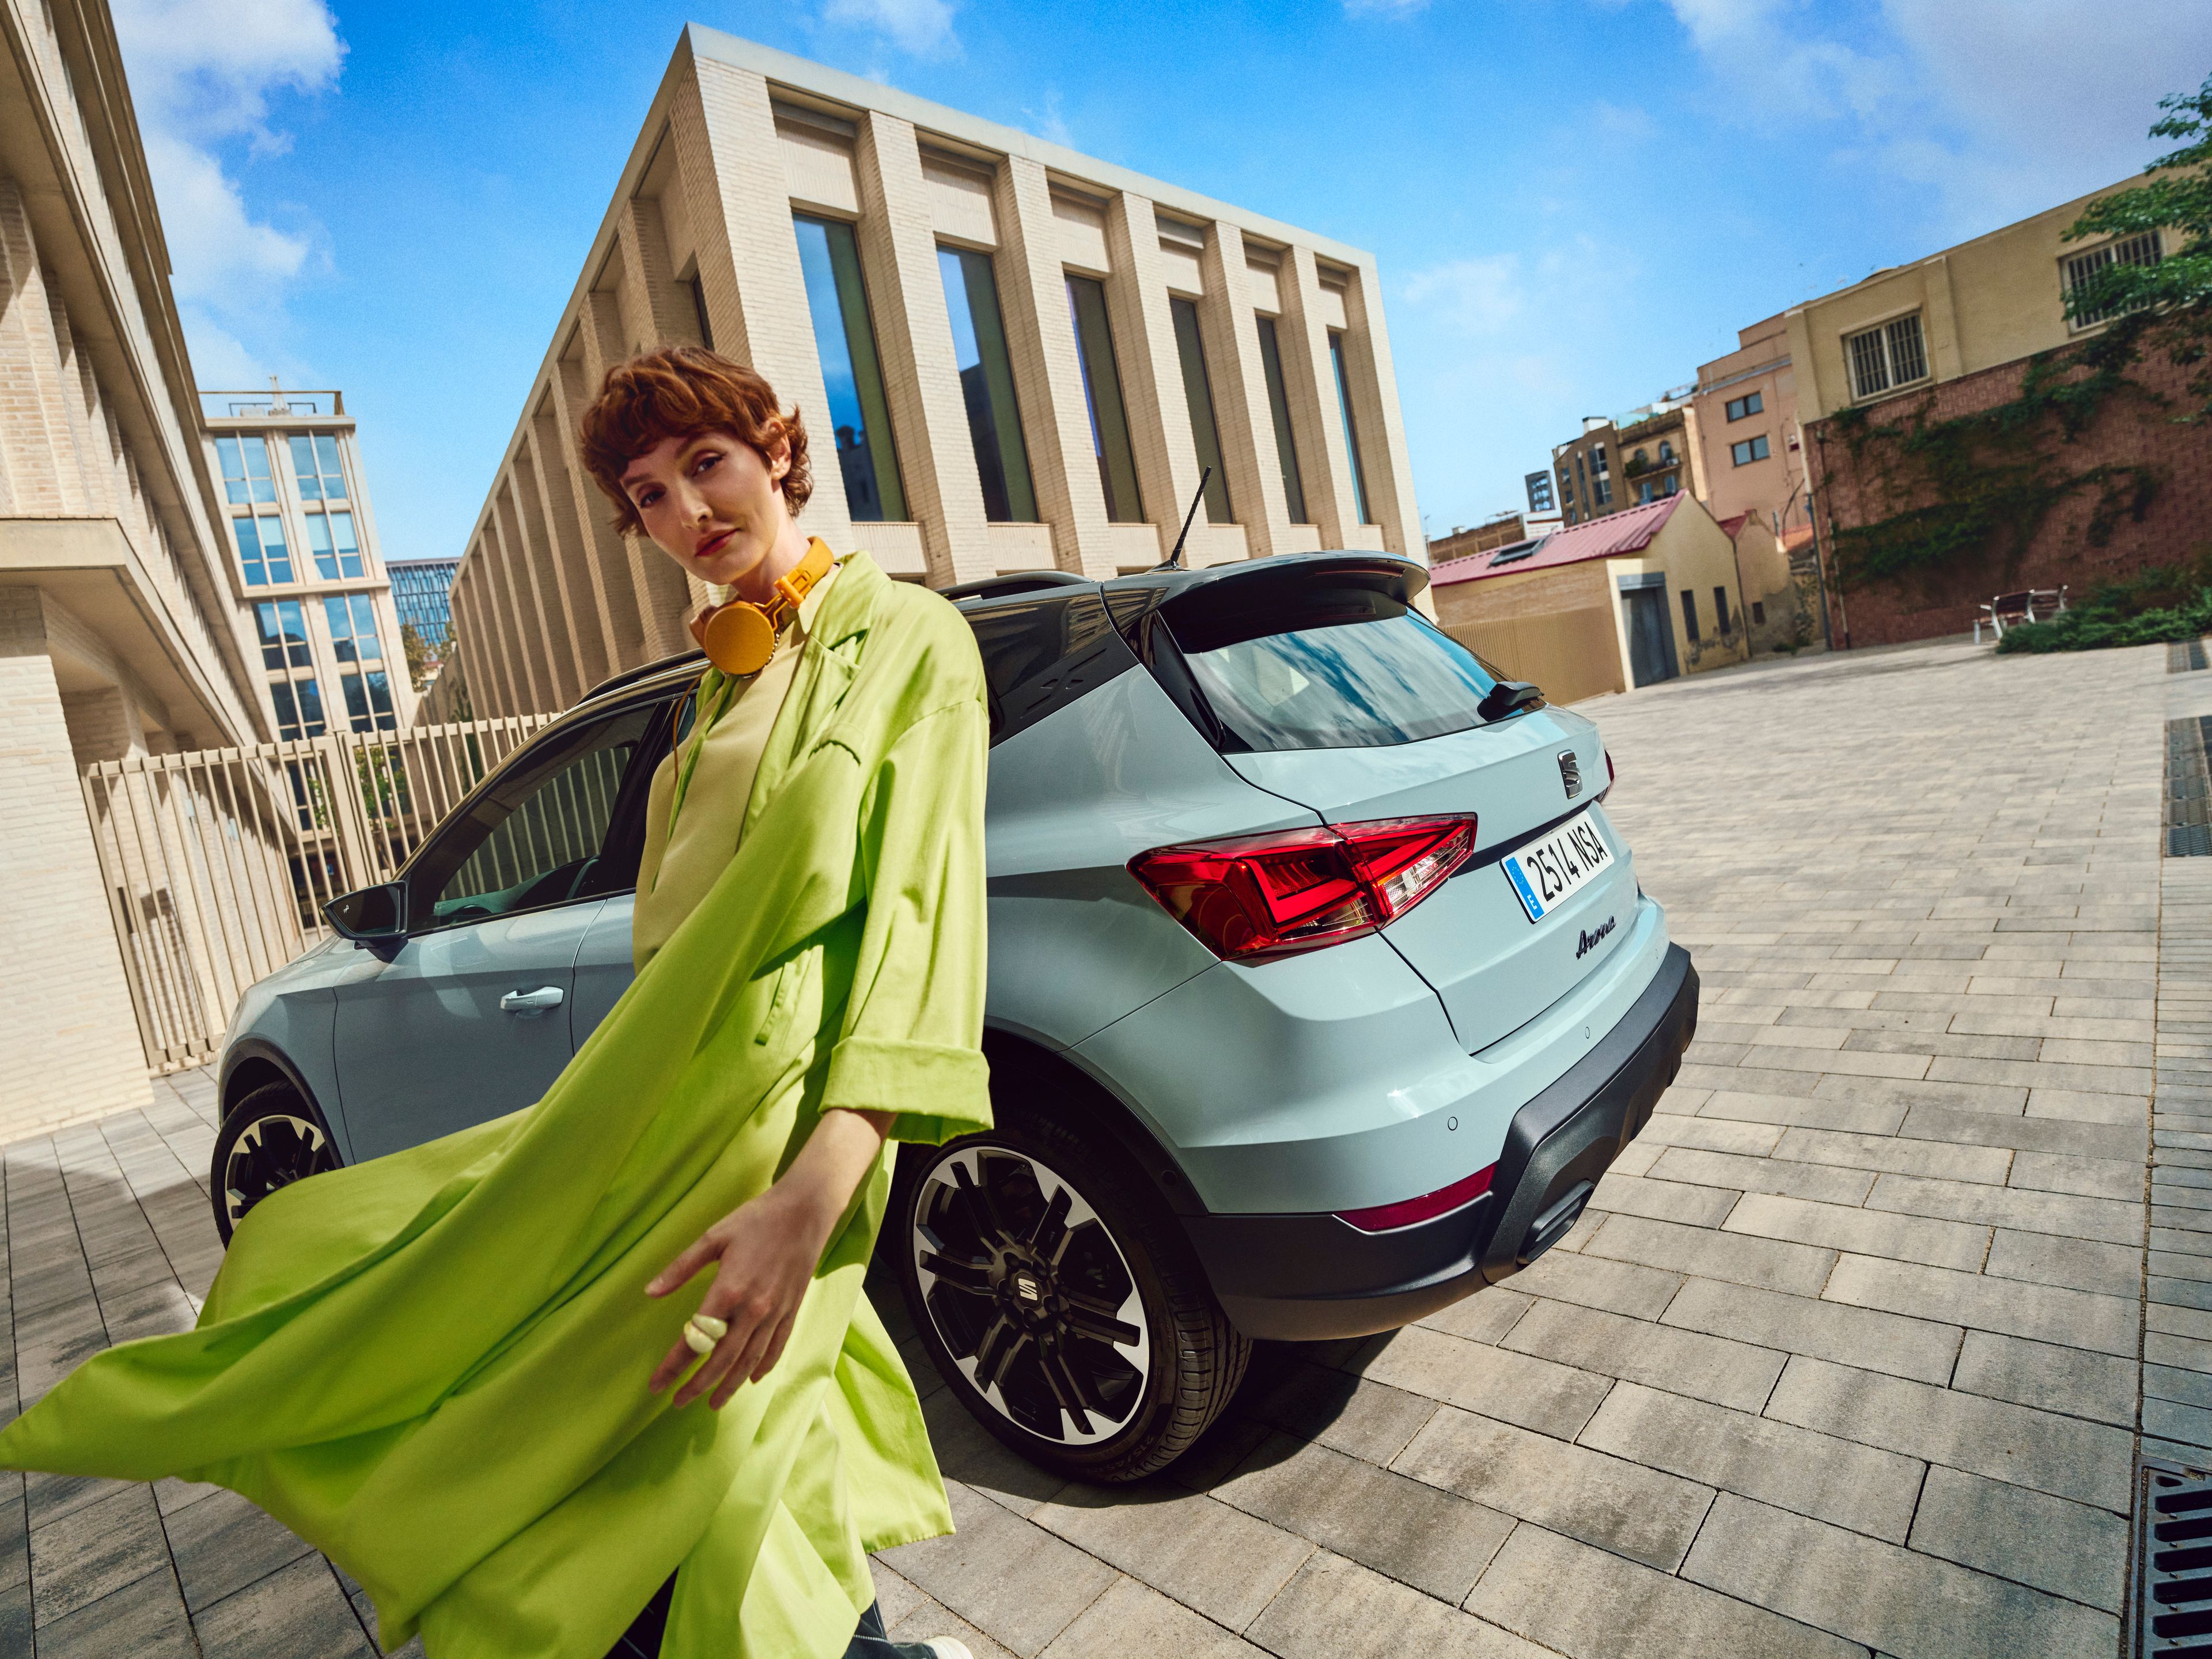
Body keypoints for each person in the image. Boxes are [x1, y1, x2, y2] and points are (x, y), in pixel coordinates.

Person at [0, 344, 992, 1659]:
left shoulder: (911, 641)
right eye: (649, 494)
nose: (688, 511)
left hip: (775, 1139)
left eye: (707, 462)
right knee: (692, 1431)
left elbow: (921, 934)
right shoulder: (718, 686)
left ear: (776, 448)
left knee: (682, 1449)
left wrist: (813, 1197)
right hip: (658, 1118)